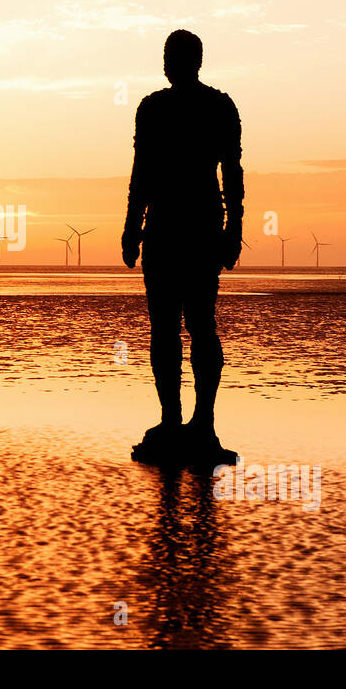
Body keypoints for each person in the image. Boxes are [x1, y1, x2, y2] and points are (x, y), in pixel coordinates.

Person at [122, 30, 243, 469]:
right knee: (170, 327)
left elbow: (232, 172)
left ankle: (200, 422)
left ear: (190, 61)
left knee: (194, 325)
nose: (166, 63)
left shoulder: (210, 107)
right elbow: (143, 173)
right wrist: (133, 227)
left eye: (171, 55)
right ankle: (175, 421)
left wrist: (234, 229)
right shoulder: (157, 108)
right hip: (177, 228)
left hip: (188, 227)